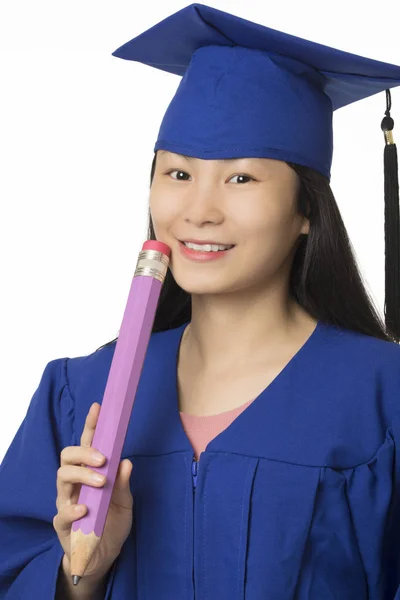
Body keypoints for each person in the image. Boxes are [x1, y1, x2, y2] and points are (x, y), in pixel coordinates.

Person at [1, 3, 400, 599]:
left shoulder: (383, 396)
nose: (199, 211)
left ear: (306, 213)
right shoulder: (80, 393)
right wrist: (80, 574)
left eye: (241, 178)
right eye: (178, 175)